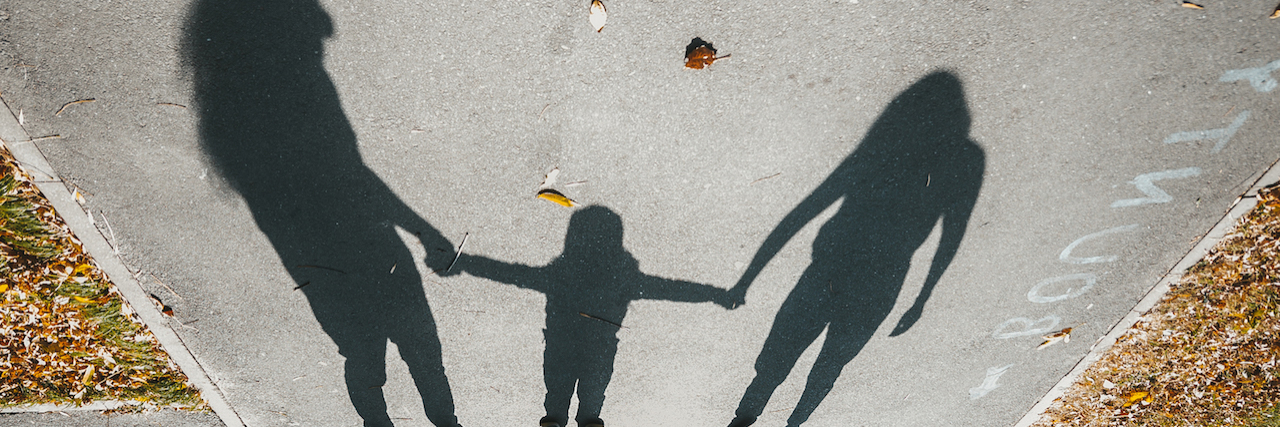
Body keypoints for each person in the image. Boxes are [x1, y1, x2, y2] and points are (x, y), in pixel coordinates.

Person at [726, 72, 985, 427]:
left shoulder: (883, 149)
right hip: (879, 280)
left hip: (831, 268)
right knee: (828, 363)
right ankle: (792, 422)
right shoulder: (963, 158)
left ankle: (747, 420)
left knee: (779, 359)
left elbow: (806, 210)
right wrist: (922, 296)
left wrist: (747, 279)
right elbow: (951, 233)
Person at [459, 206, 736, 427]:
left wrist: (466, 264)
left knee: (557, 402)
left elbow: (513, 274)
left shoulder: (559, 276)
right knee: (590, 407)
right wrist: (714, 294)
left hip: (560, 347)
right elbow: (669, 289)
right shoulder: (623, 281)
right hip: (599, 350)